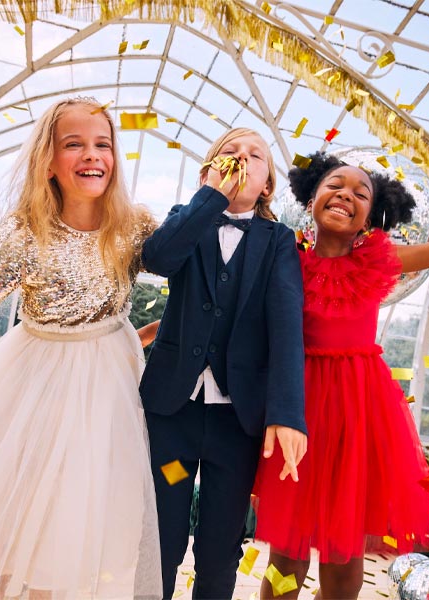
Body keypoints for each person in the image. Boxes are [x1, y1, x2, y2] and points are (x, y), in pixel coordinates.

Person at [0, 97, 161, 599]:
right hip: (33, 383)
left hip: (106, 391)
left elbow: (198, 278)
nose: (91, 155)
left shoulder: (135, 226)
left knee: (76, 520)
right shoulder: (24, 231)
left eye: (103, 144)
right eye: (74, 144)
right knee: (8, 511)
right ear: (48, 162)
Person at [253, 152, 429, 599]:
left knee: (345, 562)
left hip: (360, 413)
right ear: (311, 196)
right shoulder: (283, 261)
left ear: (373, 216)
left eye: (361, 193)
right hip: (298, 410)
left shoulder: (381, 260)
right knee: (287, 558)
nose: (345, 195)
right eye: (335, 185)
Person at [140, 127, 307, 599]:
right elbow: (158, 258)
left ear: (267, 184)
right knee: (162, 535)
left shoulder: (278, 241)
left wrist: (287, 414)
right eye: (229, 153)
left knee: (220, 545)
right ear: (208, 172)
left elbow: (286, 329)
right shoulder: (184, 222)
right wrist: (210, 198)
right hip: (173, 412)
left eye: (255, 156)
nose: (241, 159)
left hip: (238, 422)